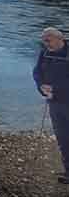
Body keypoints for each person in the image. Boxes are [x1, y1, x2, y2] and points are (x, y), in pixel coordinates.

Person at [33, 27, 69, 183]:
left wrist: (56, 88)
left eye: (48, 40)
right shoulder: (45, 52)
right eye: (43, 40)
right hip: (54, 102)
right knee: (62, 138)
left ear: (59, 38)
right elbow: (36, 72)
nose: (45, 43)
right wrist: (41, 86)